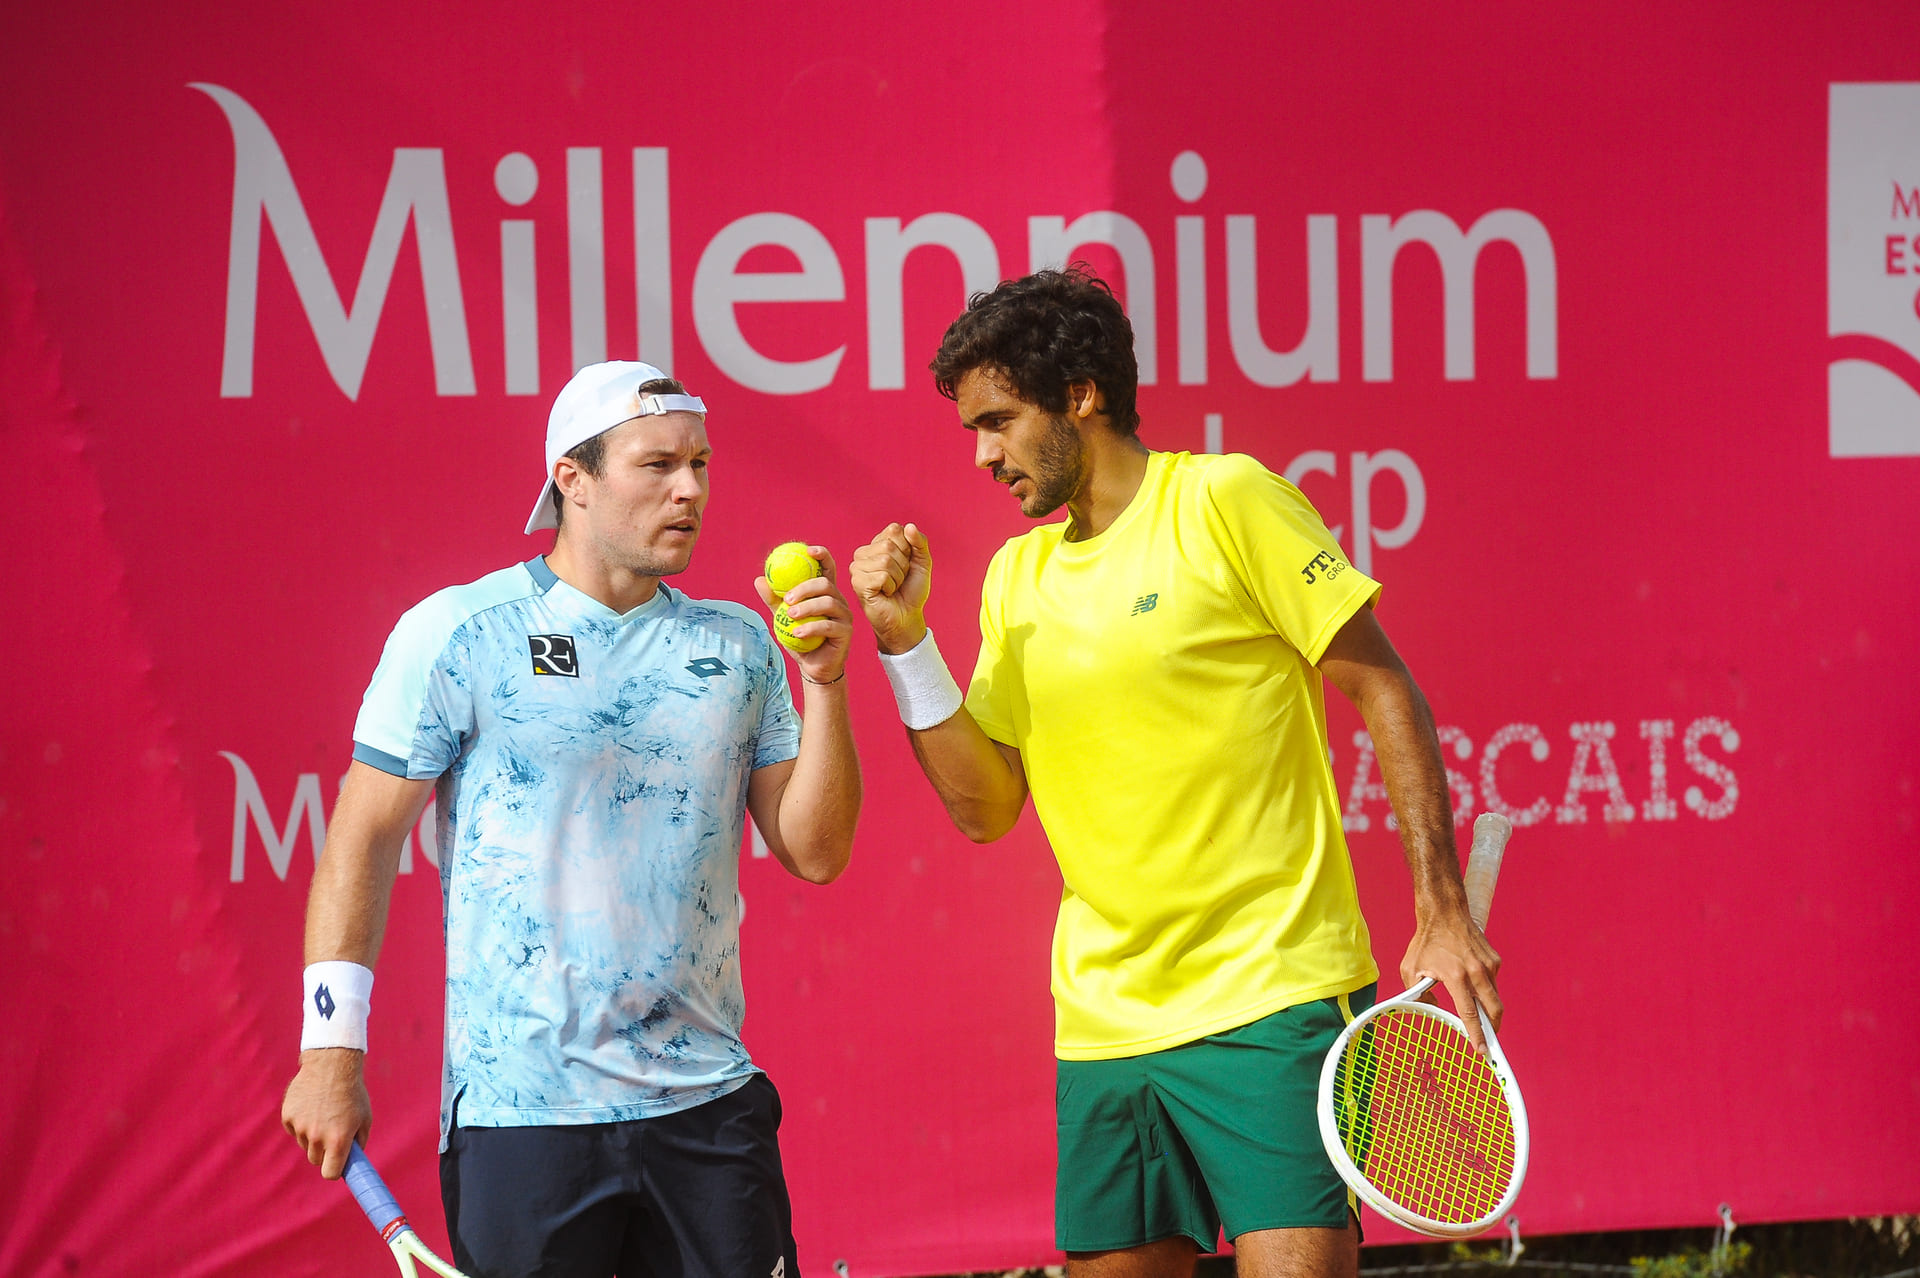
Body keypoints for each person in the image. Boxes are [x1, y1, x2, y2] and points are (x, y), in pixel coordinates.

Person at [851, 268, 1502, 1278]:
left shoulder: (1225, 501)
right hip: (1106, 1028)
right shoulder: (1015, 580)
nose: (982, 455)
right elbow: (983, 810)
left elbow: (1384, 689)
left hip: (1275, 1002)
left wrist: (1442, 908)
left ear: (1081, 395)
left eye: (999, 421)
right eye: (973, 430)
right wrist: (904, 644)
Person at [282, 360, 860, 1278]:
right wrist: (329, 1052)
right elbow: (362, 837)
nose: (690, 489)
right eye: (658, 464)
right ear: (572, 480)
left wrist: (825, 681)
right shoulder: (459, 631)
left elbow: (817, 852)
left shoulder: (740, 641)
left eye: (702, 464)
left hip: (708, 1106)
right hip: (523, 1120)